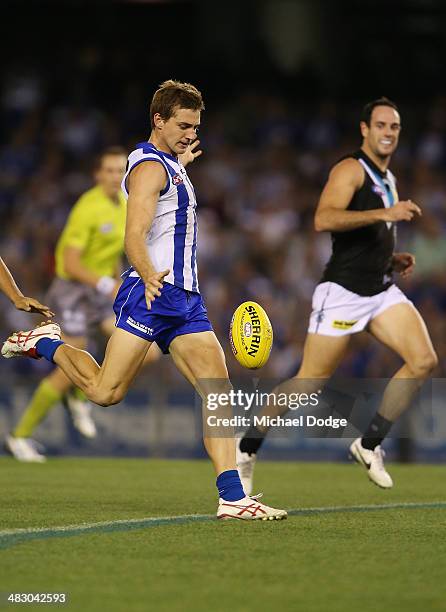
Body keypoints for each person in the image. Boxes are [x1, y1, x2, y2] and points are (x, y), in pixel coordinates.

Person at [2, 80, 286, 520]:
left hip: (185, 298)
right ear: (159, 120)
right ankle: (46, 343)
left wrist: (181, 162)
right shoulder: (151, 169)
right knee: (104, 392)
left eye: (196, 126)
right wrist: (148, 271)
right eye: (184, 125)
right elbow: (134, 233)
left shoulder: (167, 163)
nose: (192, 133)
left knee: (217, 387)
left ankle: (232, 498)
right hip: (152, 292)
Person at [237, 97, 438, 494]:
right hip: (343, 291)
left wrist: (390, 257)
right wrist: (386, 215)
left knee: (423, 360)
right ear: (365, 130)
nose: (388, 132)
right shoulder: (350, 169)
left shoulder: (387, 176)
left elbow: (364, 234)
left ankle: (368, 444)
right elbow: (323, 218)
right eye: (380, 125)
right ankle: (247, 448)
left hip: (380, 288)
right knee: (309, 382)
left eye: (394, 127)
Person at [5, 147, 162, 463]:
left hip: (101, 293)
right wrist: (109, 285)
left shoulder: (124, 204)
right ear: (97, 175)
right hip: (73, 292)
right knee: (67, 370)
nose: (117, 176)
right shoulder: (87, 209)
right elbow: (70, 262)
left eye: (122, 170)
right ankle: (19, 436)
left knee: (150, 352)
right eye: (110, 171)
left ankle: (82, 393)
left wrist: (120, 284)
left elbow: (116, 254)